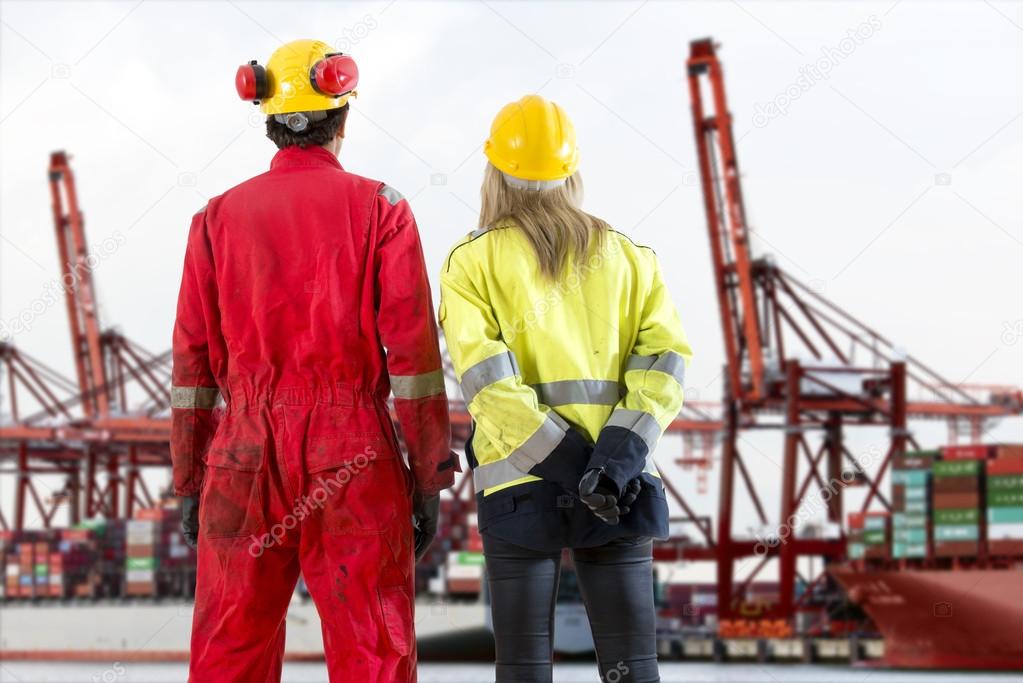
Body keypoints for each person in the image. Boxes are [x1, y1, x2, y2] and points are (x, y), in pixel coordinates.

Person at [170, 39, 456, 683]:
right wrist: (430, 472)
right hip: (352, 452)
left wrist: (190, 477)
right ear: (344, 117)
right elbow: (412, 356)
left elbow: (191, 368)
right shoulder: (382, 208)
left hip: (241, 458)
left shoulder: (214, 219)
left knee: (228, 652)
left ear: (268, 121)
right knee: (373, 653)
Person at [440, 95, 692, 683]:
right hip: (619, 488)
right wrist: (608, 466)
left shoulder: (470, 263)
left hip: (522, 490)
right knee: (634, 672)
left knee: (523, 670)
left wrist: (568, 465)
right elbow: (665, 369)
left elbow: (487, 385)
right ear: (572, 173)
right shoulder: (632, 259)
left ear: (493, 172)